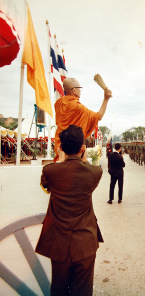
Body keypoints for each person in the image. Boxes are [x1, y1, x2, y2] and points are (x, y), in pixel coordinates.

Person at [35, 125, 103, 296]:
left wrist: (61, 159)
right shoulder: (96, 172)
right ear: (82, 148)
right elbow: (86, 169)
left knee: (58, 290)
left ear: (61, 148)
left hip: (59, 243)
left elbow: (47, 185)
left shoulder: (50, 171)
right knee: (83, 291)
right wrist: (84, 159)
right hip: (85, 242)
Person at [54, 77, 112, 162]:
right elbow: (98, 116)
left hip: (60, 149)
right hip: (74, 151)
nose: (80, 91)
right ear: (74, 90)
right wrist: (106, 99)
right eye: (79, 88)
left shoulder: (58, 103)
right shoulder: (79, 108)